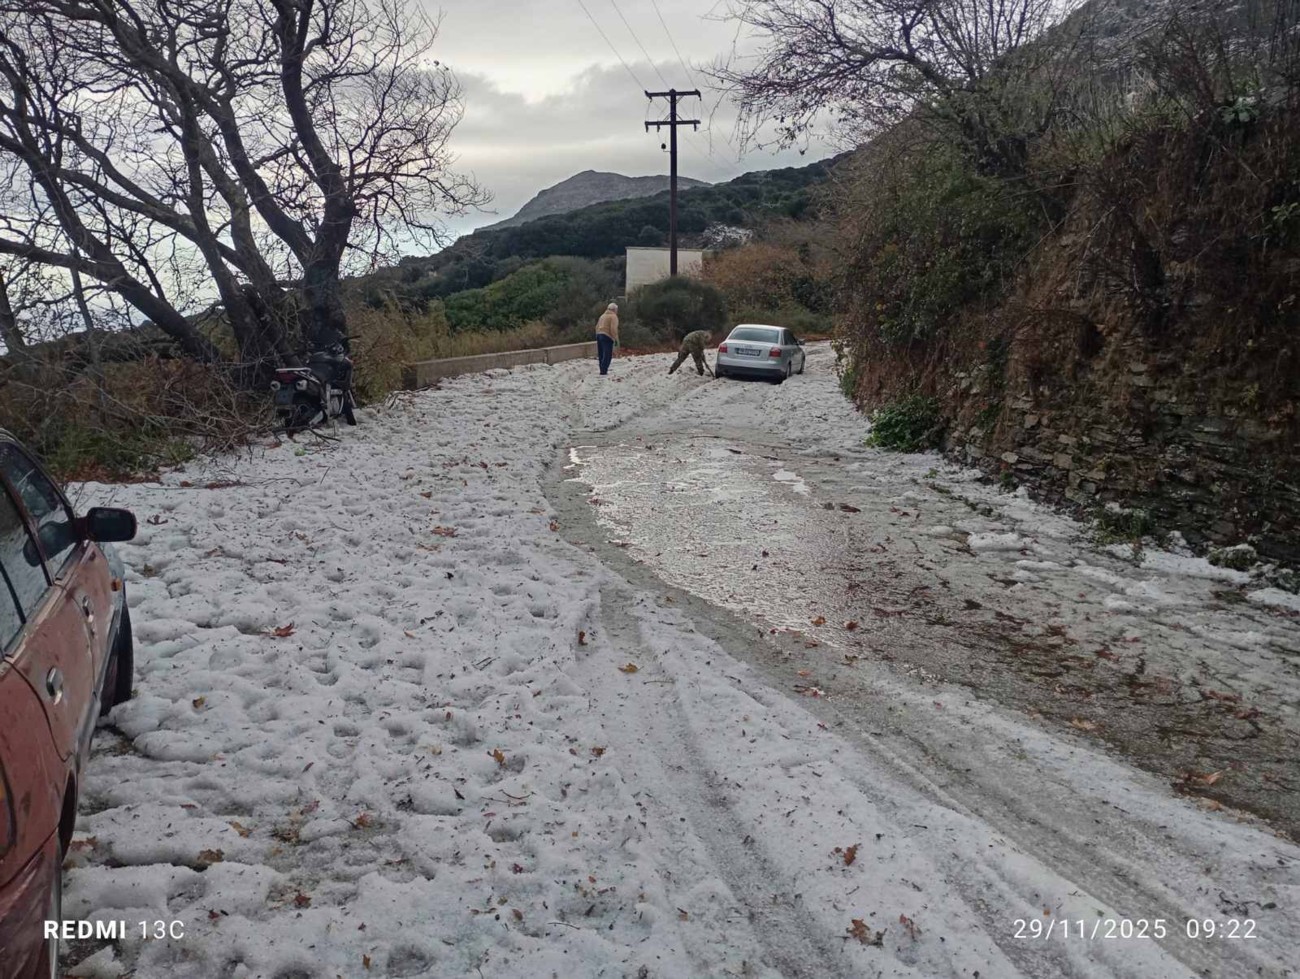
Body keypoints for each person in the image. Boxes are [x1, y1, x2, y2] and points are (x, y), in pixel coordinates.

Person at [594, 303, 619, 375]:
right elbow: (613, 329)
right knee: (607, 354)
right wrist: (615, 338)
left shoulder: (602, 316)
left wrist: (597, 335)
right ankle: (604, 371)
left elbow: (597, 326)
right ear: (614, 310)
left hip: (599, 335)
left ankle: (601, 369)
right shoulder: (613, 316)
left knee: (601, 353)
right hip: (607, 336)